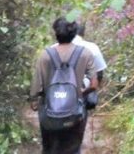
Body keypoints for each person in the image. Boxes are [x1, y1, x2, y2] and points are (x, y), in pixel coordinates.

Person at [30, 18, 97, 154]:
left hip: (49, 110)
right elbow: (94, 84)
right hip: (75, 110)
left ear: (56, 33)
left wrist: (33, 101)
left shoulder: (45, 55)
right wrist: (82, 93)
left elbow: (37, 86)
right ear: (74, 34)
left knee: (49, 148)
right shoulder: (85, 54)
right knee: (73, 148)